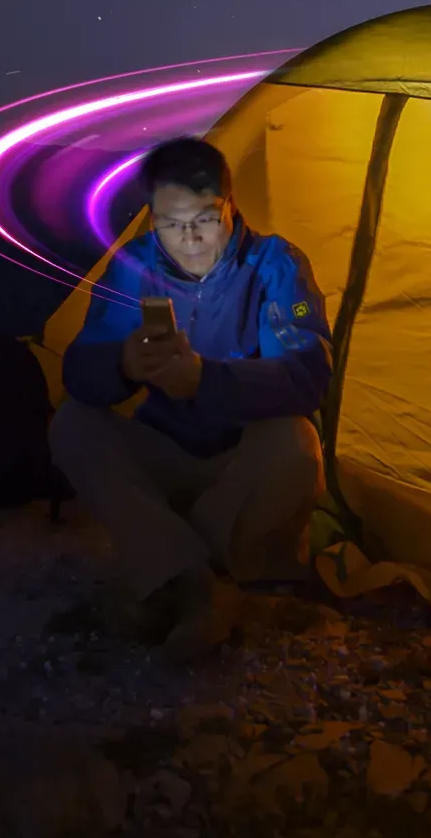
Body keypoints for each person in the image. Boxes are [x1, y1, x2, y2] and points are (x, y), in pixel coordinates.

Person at [50, 136, 331, 661]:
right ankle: (198, 583)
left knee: (296, 442)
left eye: (204, 219)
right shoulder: (135, 267)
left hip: (237, 464)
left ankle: (170, 571)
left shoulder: (274, 266)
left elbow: (307, 374)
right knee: (74, 424)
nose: (190, 240)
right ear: (151, 217)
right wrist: (123, 366)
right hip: (167, 450)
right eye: (170, 224)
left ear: (229, 204)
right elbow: (80, 370)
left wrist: (207, 381)